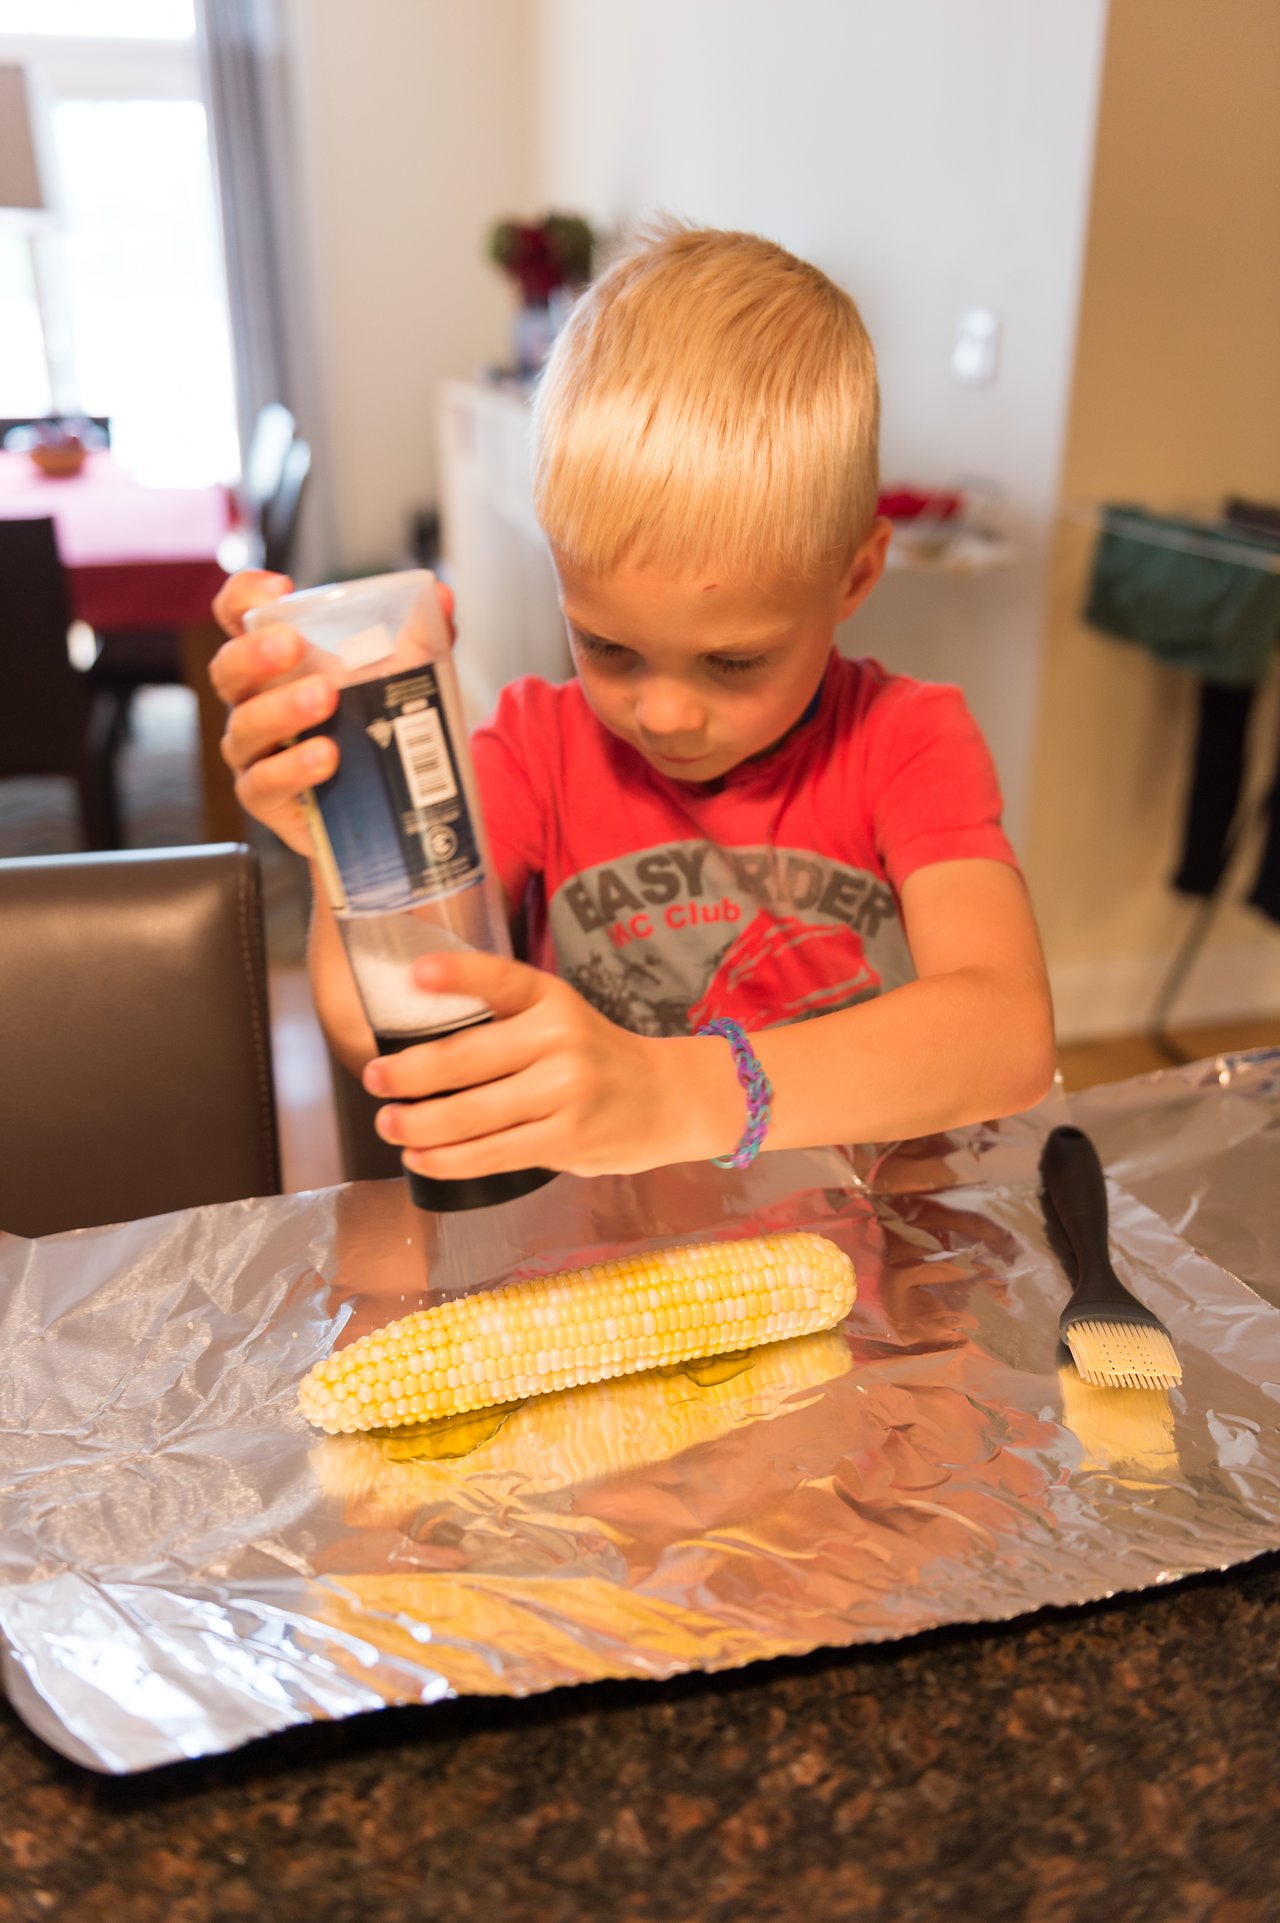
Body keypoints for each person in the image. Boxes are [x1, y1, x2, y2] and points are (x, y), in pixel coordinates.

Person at [210, 223, 1055, 1187]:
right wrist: (351, 839)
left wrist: (678, 1093)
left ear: (857, 574)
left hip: (873, 1257)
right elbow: (381, 1031)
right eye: (608, 647)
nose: (662, 714)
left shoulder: (905, 742)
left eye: (733, 662)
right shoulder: (534, 749)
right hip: (606, 1263)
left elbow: (1007, 1033)